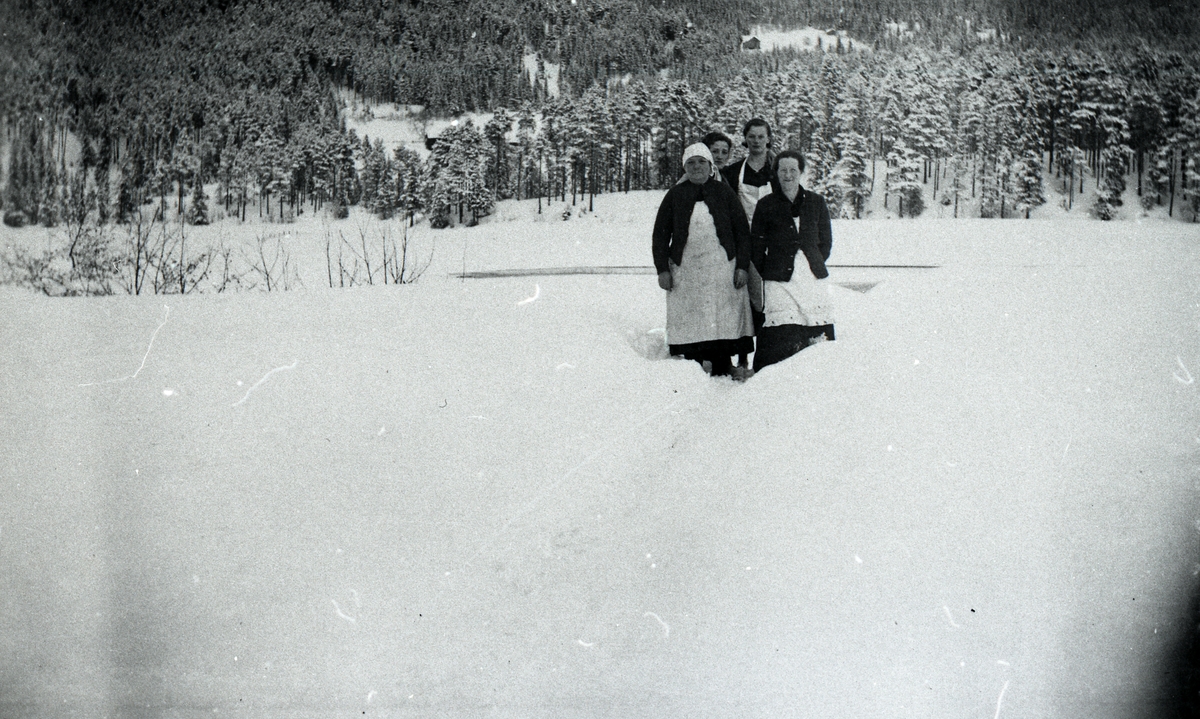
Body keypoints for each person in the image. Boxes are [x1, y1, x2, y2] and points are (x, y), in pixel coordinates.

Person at [653, 143, 755, 378]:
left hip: (723, 267)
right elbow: (660, 235)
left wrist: (741, 267)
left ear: (710, 166)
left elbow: (741, 232)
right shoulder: (674, 195)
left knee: (723, 317)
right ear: (684, 167)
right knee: (692, 316)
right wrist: (662, 270)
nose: (696, 166)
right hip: (686, 269)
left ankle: (723, 363)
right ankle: (694, 364)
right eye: (691, 162)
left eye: (702, 162)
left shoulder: (724, 192)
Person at [749, 149, 835, 372]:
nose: (788, 175)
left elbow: (825, 242)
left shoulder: (816, 202)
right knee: (782, 328)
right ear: (776, 173)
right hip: (779, 280)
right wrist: (770, 269)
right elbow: (756, 247)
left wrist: (811, 261)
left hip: (811, 276)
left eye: (793, 170)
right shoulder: (766, 204)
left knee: (814, 324)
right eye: (783, 170)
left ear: (801, 173)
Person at [721, 118, 775, 379]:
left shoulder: (777, 169)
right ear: (745, 139)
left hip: (771, 244)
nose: (756, 141)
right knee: (744, 302)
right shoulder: (734, 172)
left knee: (769, 301)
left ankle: (765, 358)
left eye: (760, 136)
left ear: (768, 138)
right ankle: (742, 357)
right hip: (744, 243)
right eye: (751, 136)